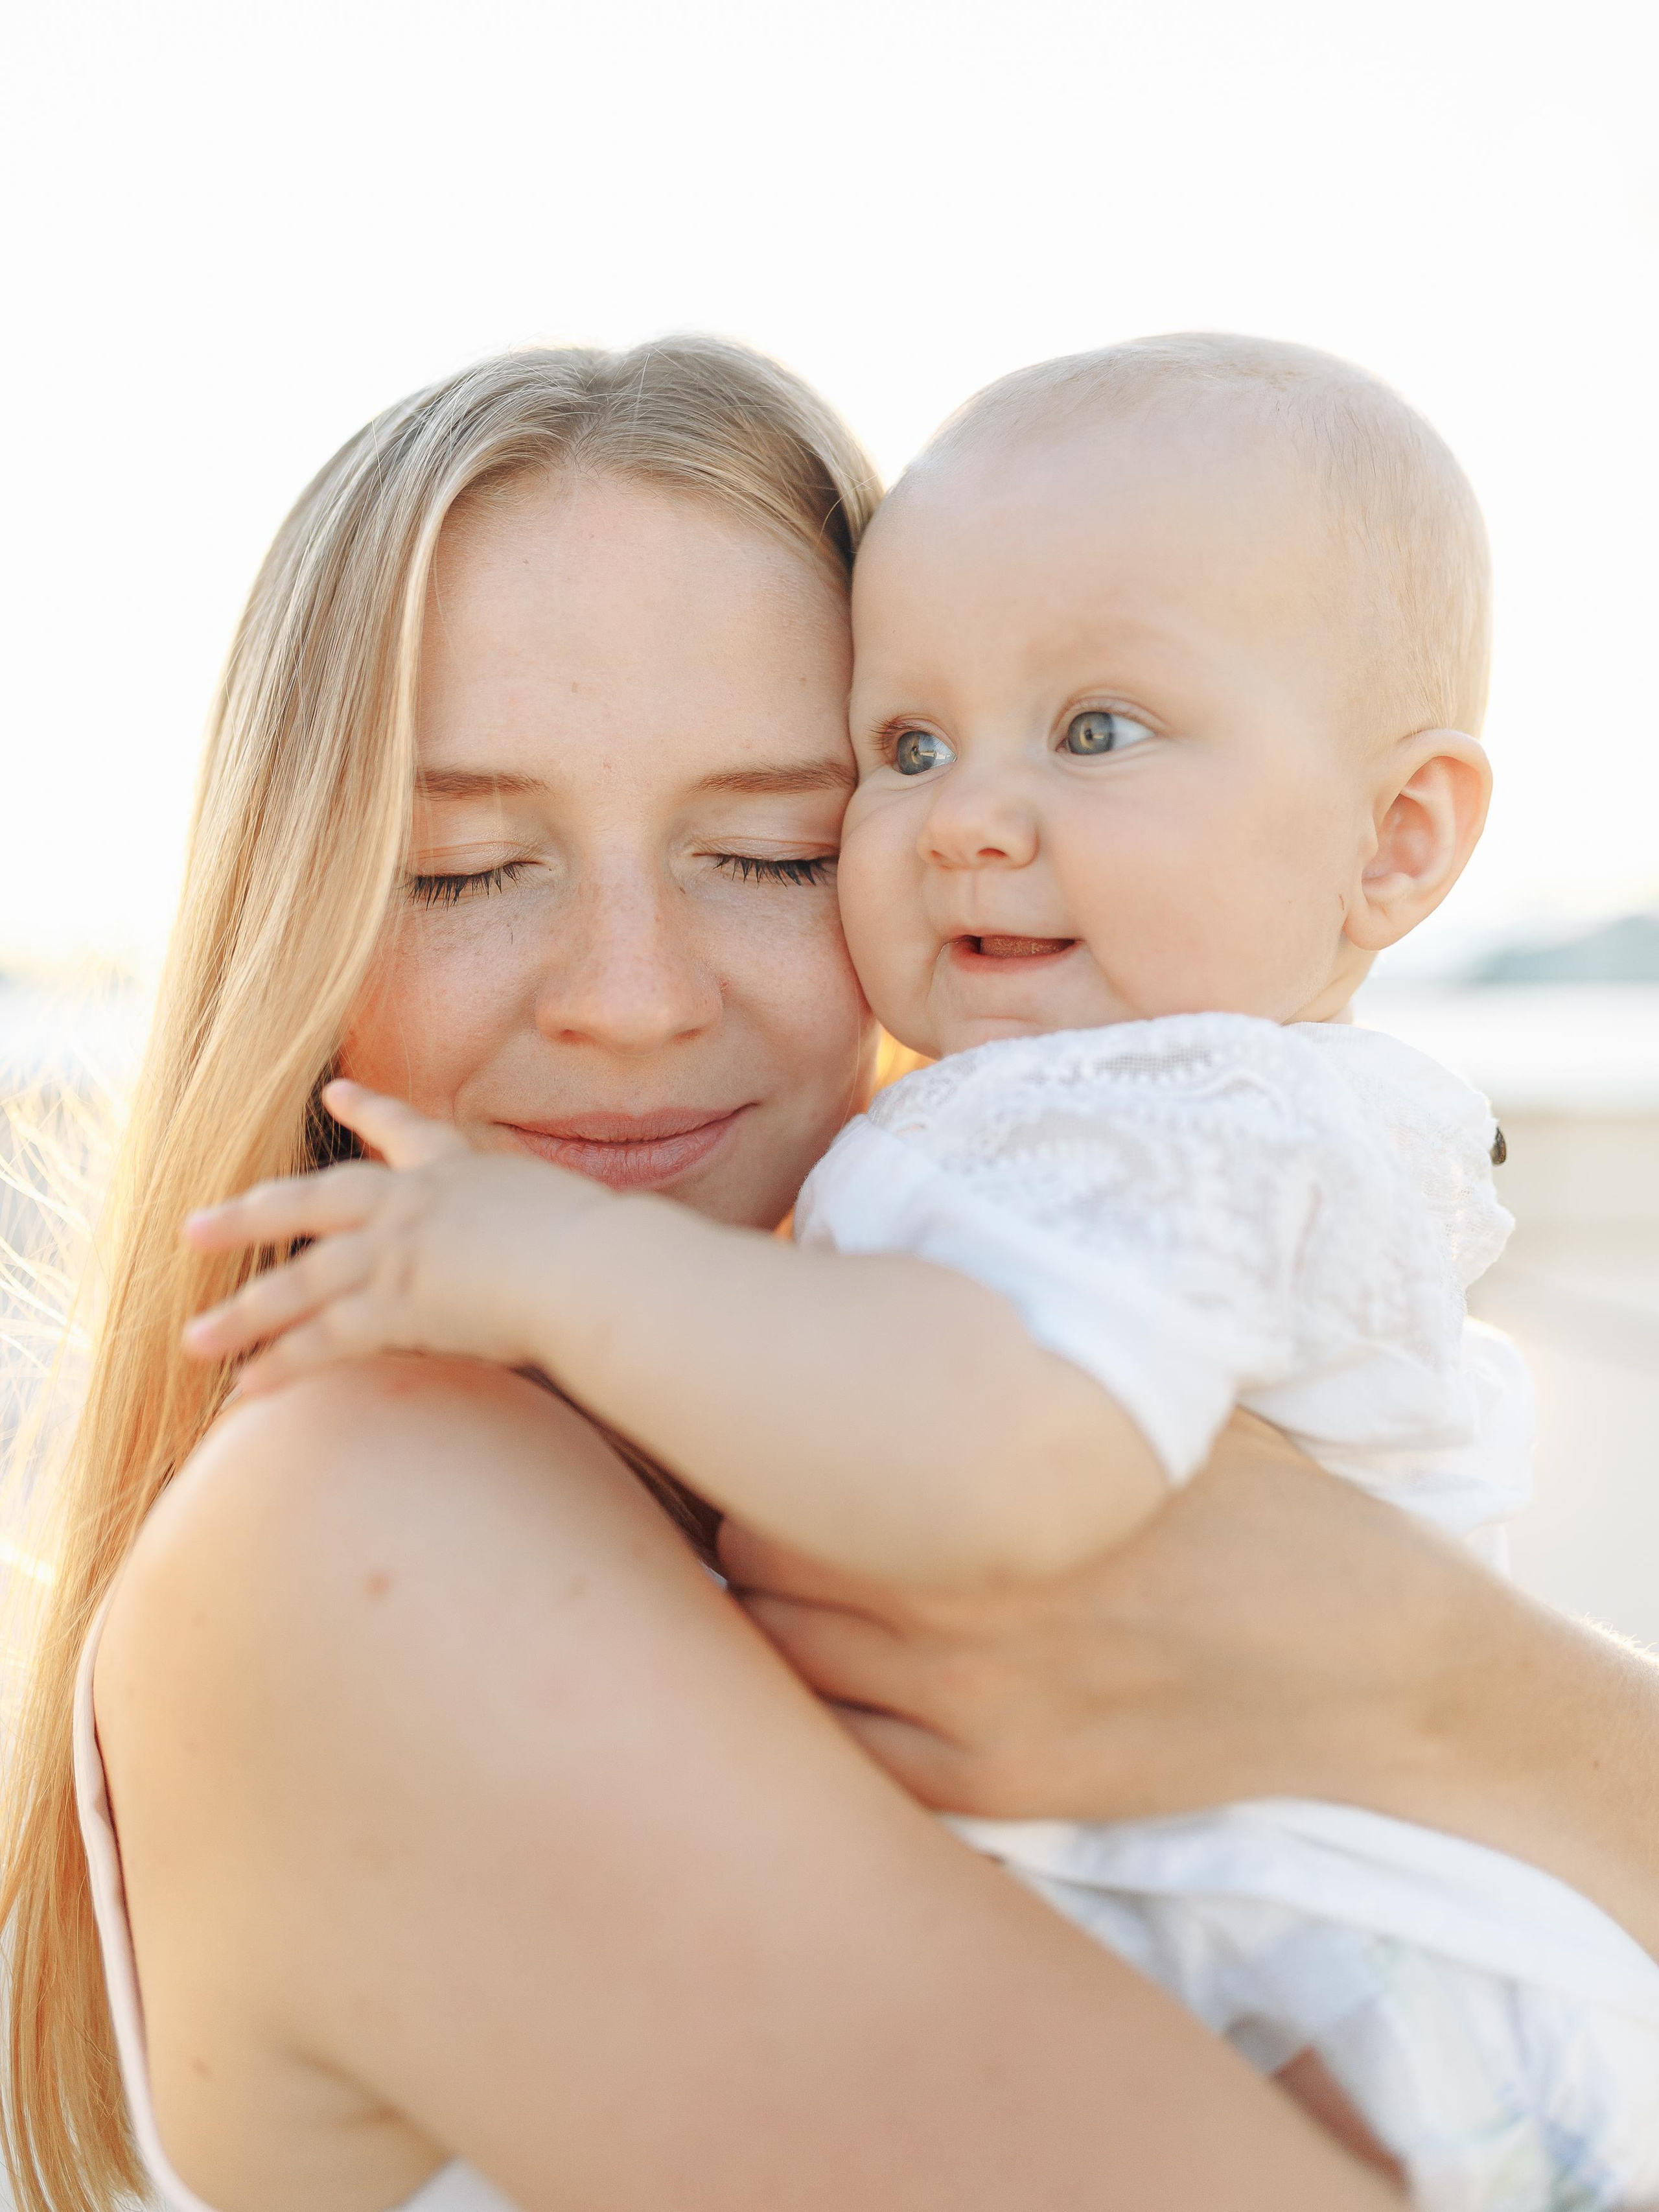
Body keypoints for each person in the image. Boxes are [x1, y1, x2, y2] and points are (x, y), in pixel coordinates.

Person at [0, 338, 1654, 2212]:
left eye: (771, 853)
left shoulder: (1035, 1353)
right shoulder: (354, 1525)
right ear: (287, 920)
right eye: (463, 872)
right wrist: (1436, 1689)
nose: (631, 998)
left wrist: (1461, 1688)